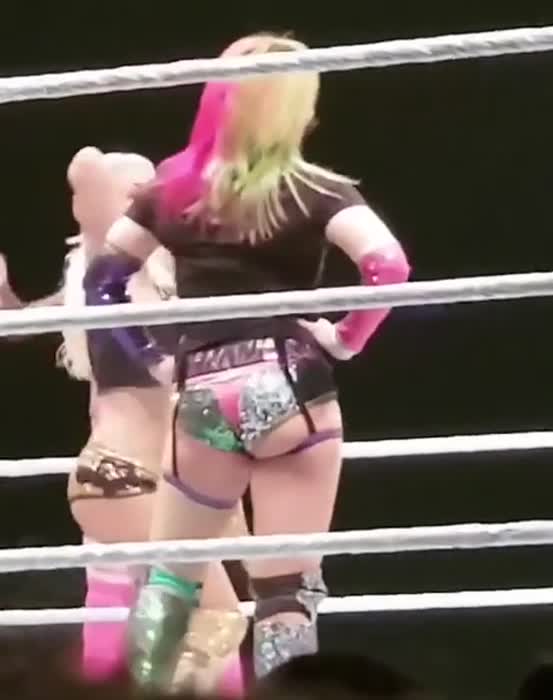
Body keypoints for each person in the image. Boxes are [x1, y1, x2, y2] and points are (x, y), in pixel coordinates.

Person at [82, 32, 410, 691]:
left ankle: (142, 694)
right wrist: (346, 338)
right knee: (286, 589)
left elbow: (102, 282)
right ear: (299, 108)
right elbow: (387, 266)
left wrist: (152, 355)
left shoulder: (170, 191)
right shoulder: (317, 189)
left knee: (171, 578)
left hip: (206, 390)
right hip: (294, 388)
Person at [0, 147, 250, 695]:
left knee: (132, 624)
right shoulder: (107, 264)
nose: (154, 199)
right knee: (215, 617)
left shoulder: (167, 280)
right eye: (137, 191)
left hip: (164, 481)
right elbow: (85, 172)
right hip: (121, 476)